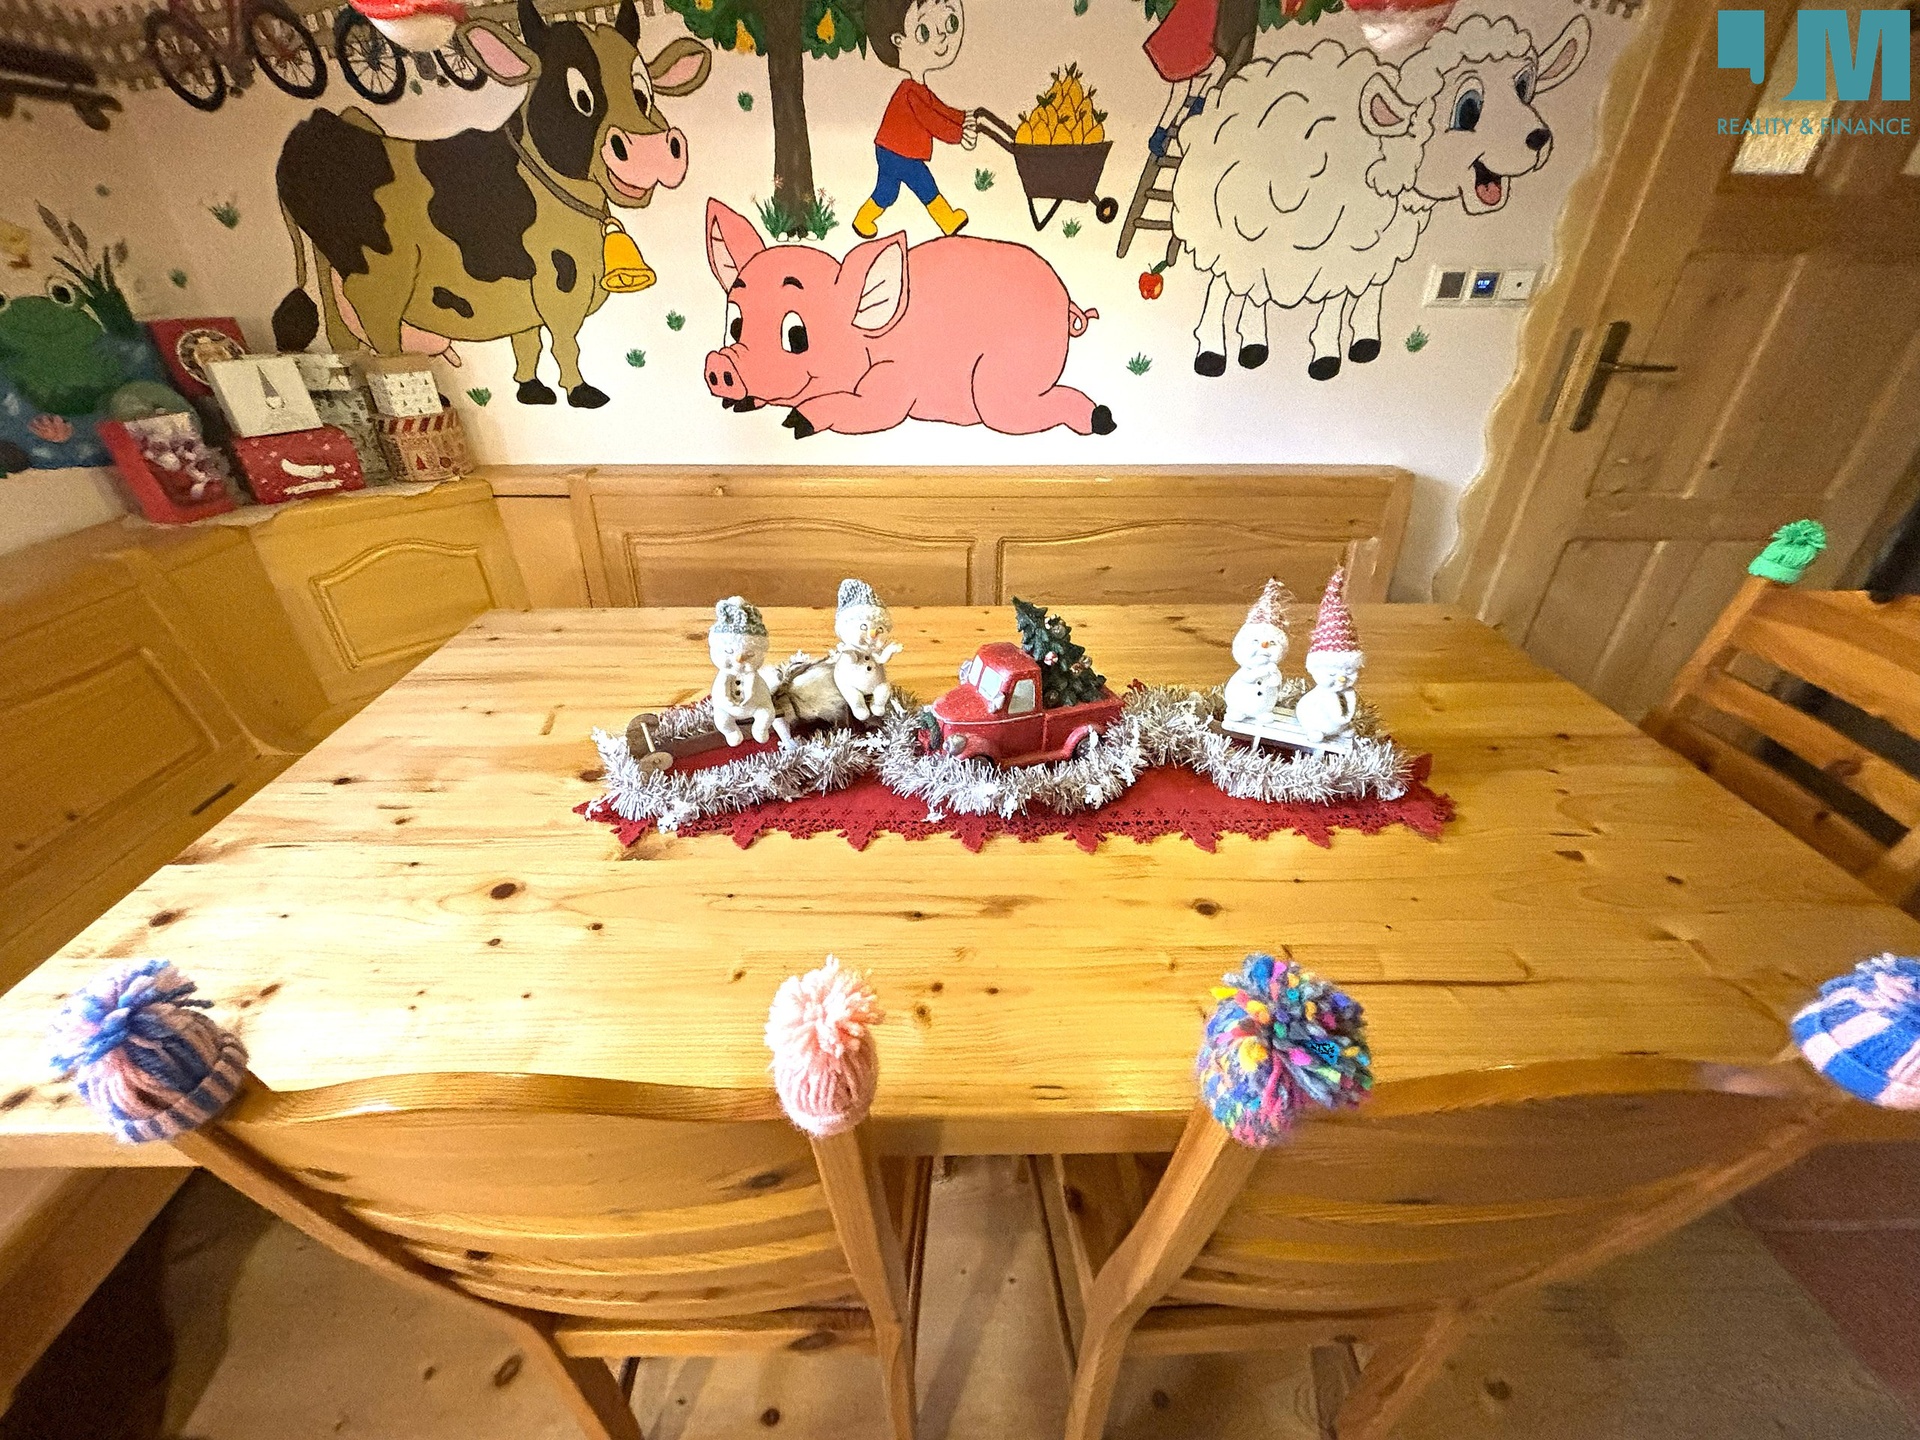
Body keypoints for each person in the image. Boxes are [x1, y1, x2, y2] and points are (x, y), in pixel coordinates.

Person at [856, 0, 978, 239]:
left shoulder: (918, 89)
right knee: (924, 184)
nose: (942, 37)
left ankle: (863, 219)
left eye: (950, 23)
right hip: (898, 152)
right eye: (925, 32)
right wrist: (958, 134)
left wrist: (963, 117)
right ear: (898, 41)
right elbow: (931, 120)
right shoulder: (911, 92)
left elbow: (938, 108)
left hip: (891, 150)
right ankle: (947, 220)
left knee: (887, 192)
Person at [1143, 0, 1256, 157]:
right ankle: (1159, 134)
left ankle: (1195, 108)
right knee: (1180, 93)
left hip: (1199, 46)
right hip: (1185, 49)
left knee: (1217, 67)